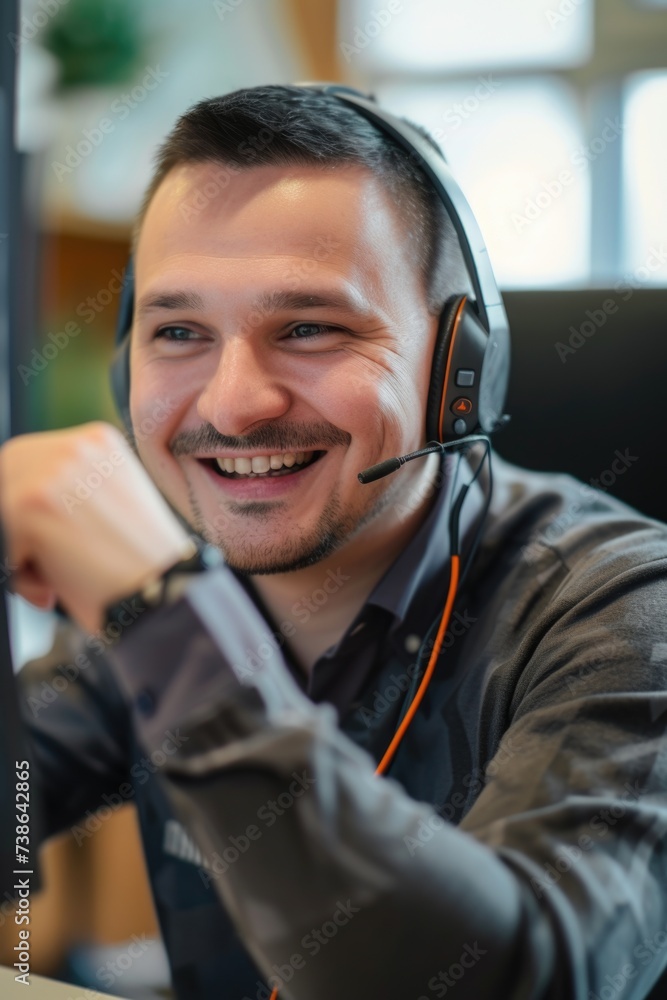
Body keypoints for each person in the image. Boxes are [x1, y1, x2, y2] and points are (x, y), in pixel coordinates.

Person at [2, 84, 667, 1000]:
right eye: (179, 332)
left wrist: (169, 623)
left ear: (456, 371)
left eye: (309, 328)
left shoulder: (626, 613)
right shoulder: (155, 607)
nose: (233, 404)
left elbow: (530, 979)